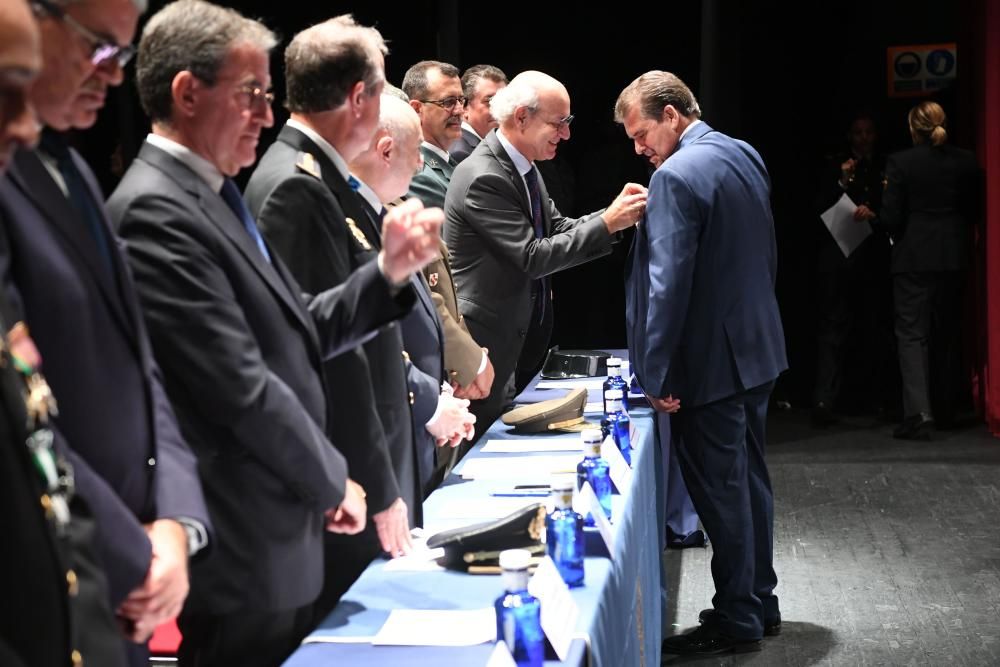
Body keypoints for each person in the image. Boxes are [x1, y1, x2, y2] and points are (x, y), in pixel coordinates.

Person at [106, 2, 440, 665]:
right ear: (187, 94)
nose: (268, 114)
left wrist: (387, 274)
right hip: (241, 532)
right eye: (251, 95)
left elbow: (299, 329)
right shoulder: (155, 208)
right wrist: (331, 478)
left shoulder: (211, 195)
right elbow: (239, 383)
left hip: (273, 529)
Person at [0, 1, 212, 662]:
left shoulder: (71, 168)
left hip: (124, 578)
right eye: (98, 48)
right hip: (62, 571)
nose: (113, 75)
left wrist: (176, 522)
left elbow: (139, 364)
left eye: (121, 55)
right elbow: (25, 418)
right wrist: (135, 551)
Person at [243, 18, 468, 619]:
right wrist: (378, 483)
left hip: (369, 463)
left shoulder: (319, 179)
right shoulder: (297, 185)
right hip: (346, 476)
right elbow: (323, 351)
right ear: (360, 98)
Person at [615, 70, 787, 655]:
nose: (639, 148)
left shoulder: (675, 177)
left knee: (721, 493)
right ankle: (760, 600)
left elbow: (668, 285)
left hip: (711, 365)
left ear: (671, 115)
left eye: (642, 134)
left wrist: (655, 371)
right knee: (750, 484)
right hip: (757, 350)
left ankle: (738, 616)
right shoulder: (743, 153)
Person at [445, 70, 646, 429]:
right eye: (558, 123)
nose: (567, 134)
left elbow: (558, 228)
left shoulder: (523, 167)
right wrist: (608, 223)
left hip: (514, 342)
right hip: (484, 347)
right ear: (521, 117)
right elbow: (534, 257)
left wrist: (614, 214)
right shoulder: (484, 177)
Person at [350, 94, 477, 491]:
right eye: (414, 153)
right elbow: (365, 333)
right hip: (386, 422)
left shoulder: (381, 208)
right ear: (386, 150)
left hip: (417, 407)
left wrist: (437, 390)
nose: (420, 164)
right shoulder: (351, 214)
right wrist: (430, 400)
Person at [875, 100, 980, 439]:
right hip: (953, 255)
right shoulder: (966, 161)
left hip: (914, 258)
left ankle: (920, 413)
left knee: (911, 334)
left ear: (912, 128)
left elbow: (891, 217)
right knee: (948, 332)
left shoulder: (901, 162)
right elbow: (974, 210)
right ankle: (948, 408)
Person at [812, 111, 891, 426]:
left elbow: (895, 207)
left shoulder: (885, 166)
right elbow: (817, 207)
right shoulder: (835, 165)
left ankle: (879, 400)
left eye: (868, 132)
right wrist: (842, 182)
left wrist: (874, 213)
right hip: (839, 257)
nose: (863, 139)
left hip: (873, 256)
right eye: (857, 133)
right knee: (833, 329)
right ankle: (824, 400)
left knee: (875, 328)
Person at [450, 63, 507, 163]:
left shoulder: (494, 145)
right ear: (464, 107)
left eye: (505, 100)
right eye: (490, 101)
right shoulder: (461, 154)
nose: (500, 108)